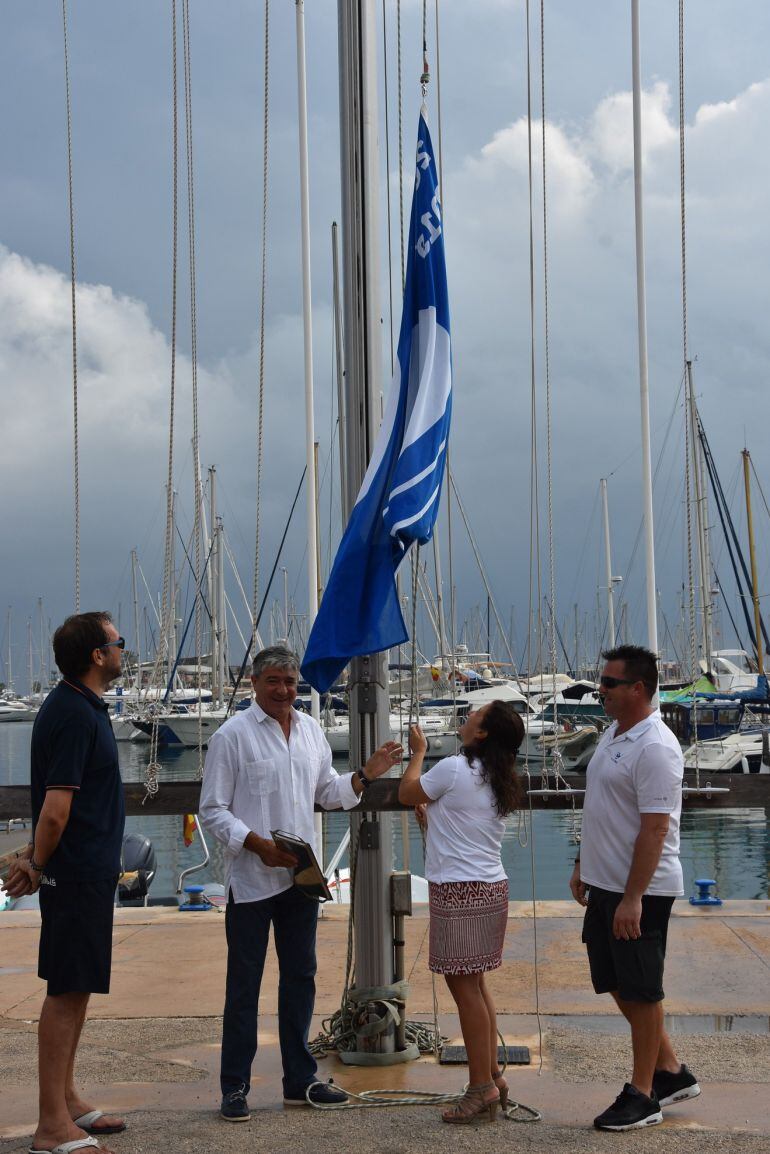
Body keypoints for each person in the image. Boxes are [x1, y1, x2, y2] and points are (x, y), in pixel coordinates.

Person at [198, 644, 402, 1120]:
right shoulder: (233, 736)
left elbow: (327, 793)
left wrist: (365, 775)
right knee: (243, 987)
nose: (284, 691)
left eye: (290, 683)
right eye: (274, 681)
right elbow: (212, 809)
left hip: (301, 880)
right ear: (255, 683)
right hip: (251, 882)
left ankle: (298, 1080)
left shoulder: (311, 730)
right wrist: (255, 843)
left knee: (301, 980)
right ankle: (234, 1087)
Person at [5, 612, 128, 1154]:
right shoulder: (75, 715)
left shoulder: (81, 707)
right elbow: (55, 812)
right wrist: (35, 862)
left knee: (77, 989)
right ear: (97, 656)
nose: (125, 648)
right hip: (75, 874)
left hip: (87, 872)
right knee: (63, 992)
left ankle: (68, 1098)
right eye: (117, 641)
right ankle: (50, 1123)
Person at [569, 644, 700, 1132]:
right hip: (604, 882)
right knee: (615, 981)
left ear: (638, 689)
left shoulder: (656, 747)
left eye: (608, 683)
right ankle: (669, 1070)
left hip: (638, 890)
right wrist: (583, 860)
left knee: (643, 990)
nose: (599, 689)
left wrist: (632, 898)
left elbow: (655, 829)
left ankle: (643, 1094)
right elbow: (601, 806)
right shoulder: (614, 734)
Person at [398, 701, 524, 1124]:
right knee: (477, 986)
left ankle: (480, 1088)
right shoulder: (497, 777)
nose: (467, 715)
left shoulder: (453, 767)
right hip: (490, 886)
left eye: (475, 714)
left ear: (483, 733)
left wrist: (418, 752)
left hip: (459, 891)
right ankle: (492, 1077)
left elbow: (406, 792)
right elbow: (460, 822)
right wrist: (431, 818)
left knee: (465, 990)